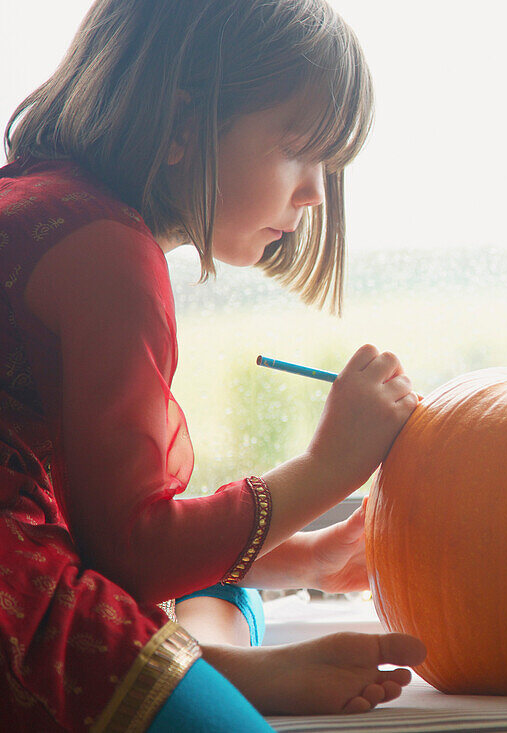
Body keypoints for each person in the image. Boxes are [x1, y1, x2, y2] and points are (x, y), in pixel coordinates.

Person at [0, 0, 428, 729]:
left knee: (231, 582)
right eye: (300, 149)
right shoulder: (106, 253)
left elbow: (92, 517)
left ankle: (221, 662)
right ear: (183, 127)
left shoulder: (41, 204)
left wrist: (313, 560)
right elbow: (131, 553)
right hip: (20, 608)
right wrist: (328, 469)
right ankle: (218, 676)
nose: (316, 193)